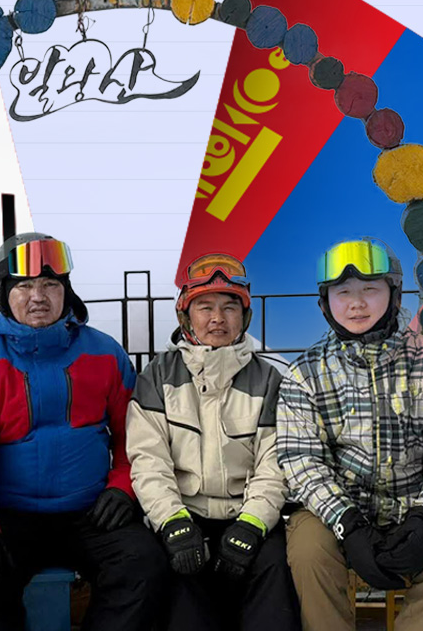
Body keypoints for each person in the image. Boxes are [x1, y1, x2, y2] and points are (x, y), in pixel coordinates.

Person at [0, 232, 169, 631]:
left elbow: (135, 437)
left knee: (144, 564)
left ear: (66, 290)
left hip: (91, 511)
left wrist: (122, 488)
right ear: (4, 293)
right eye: (24, 286)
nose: (38, 297)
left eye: (50, 284)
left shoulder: (105, 353)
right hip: (9, 515)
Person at [277, 238, 423, 631]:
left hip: (416, 507)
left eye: (370, 289)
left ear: (394, 294)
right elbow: (301, 461)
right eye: (343, 292)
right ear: (325, 303)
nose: (357, 304)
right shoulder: (305, 373)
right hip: (337, 513)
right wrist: (348, 524)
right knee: (307, 552)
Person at [127, 252, 300, 631]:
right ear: (186, 317)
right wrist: (172, 523)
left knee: (275, 581)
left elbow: (275, 465)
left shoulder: (270, 380)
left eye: (229, 307)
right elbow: (148, 461)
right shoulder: (157, 376)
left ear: (245, 317)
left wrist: (252, 525)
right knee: (182, 606)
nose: (218, 318)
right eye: (205, 307)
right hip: (183, 517)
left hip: (249, 517)